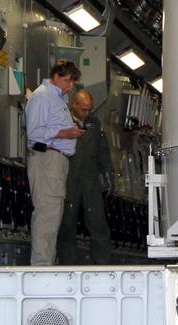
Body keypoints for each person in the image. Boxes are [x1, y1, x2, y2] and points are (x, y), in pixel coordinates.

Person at [25, 60, 86, 266]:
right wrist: (65, 133)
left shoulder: (57, 98)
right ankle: (40, 267)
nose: (70, 86)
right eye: (68, 81)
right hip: (47, 160)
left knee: (52, 216)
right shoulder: (43, 97)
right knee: (46, 214)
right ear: (56, 77)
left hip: (56, 162)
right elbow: (35, 134)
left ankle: (45, 265)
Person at [56, 88, 113, 264]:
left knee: (98, 224)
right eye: (84, 109)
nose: (87, 113)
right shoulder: (62, 122)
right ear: (74, 105)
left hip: (90, 181)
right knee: (67, 224)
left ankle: (102, 265)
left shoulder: (94, 125)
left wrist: (108, 175)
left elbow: (103, 151)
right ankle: (68, 265)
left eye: (90, 109)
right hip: (69, 179)